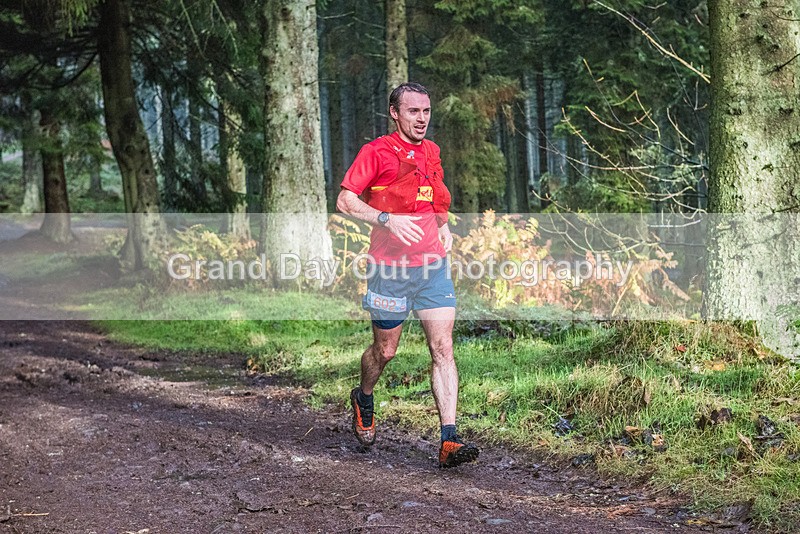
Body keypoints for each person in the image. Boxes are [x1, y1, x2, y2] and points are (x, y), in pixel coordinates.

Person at [336, 82, 479, 468]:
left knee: (443, 348)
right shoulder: (376, 152)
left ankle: (449, 440)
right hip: (389, 270)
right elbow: (345, 200)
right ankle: (364, 397)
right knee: (385, 351)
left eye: (426, 111)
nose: (421, 119)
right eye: (413, 111)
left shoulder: (431, 151)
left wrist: (443, 225)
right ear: (394, 113)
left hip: (433, 267)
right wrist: (386, 219)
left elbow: (434, 194)